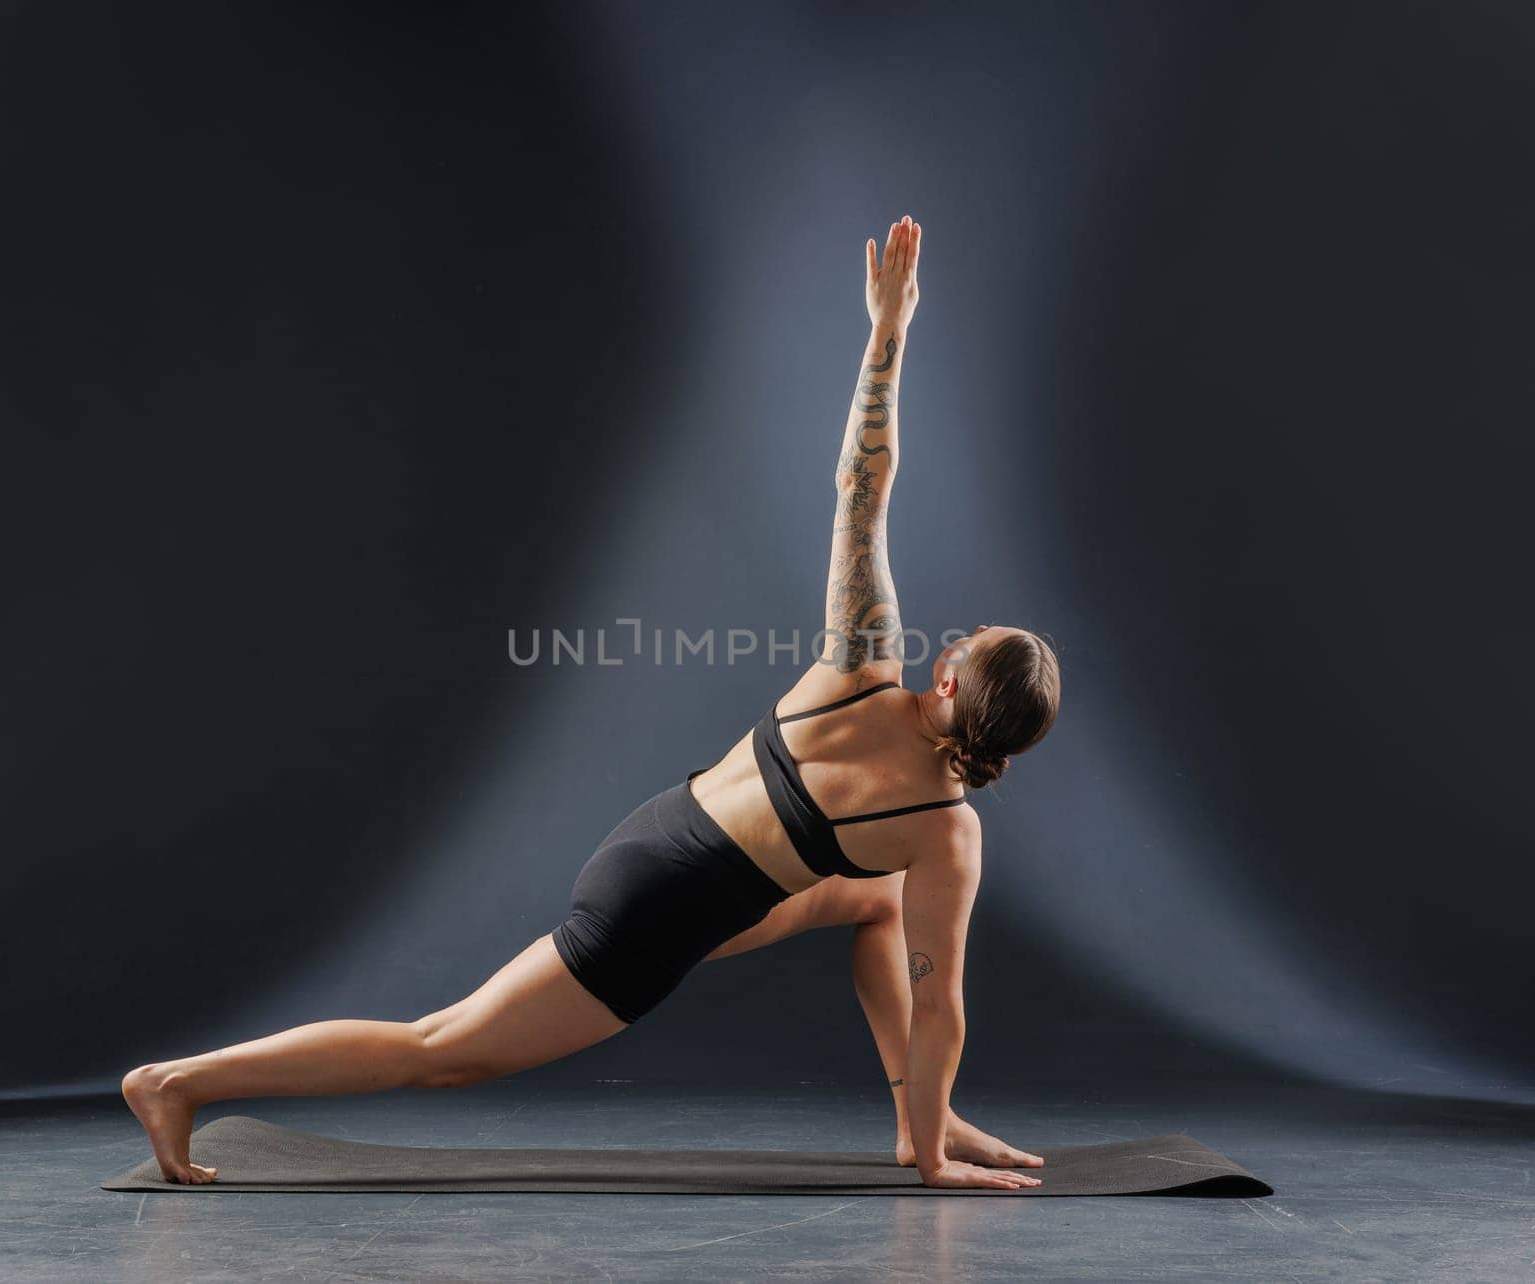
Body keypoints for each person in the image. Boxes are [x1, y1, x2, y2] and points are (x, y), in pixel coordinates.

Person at [122, 214, 1062, 1191]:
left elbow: (860, 488)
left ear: (949, 679)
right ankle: (179, 1081)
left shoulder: (861, 669)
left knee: (876, 903)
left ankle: (921, 1129)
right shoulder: (945, 836)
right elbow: (940, 1000)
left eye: (968, 640)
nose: (953, 636)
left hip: (662, 841)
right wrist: (942, 1173)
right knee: (442, 1047)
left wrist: (886, 334)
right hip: (653, 916)